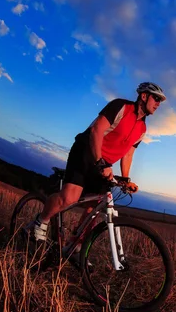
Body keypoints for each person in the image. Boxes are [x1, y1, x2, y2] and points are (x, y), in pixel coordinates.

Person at [29, 82, 166, 258]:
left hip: (104, 164)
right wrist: (100, 162)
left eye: (160, 101)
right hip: (86, 151)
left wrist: (125, 179)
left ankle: (74, 247)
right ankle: (41, 221)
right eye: (156, 98)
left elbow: (128, 154)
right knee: (70, 197)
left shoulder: (143, 128)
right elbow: (96, 130)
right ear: (144, 96)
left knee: (95, 208)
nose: (158, 104)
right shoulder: (121, 106)